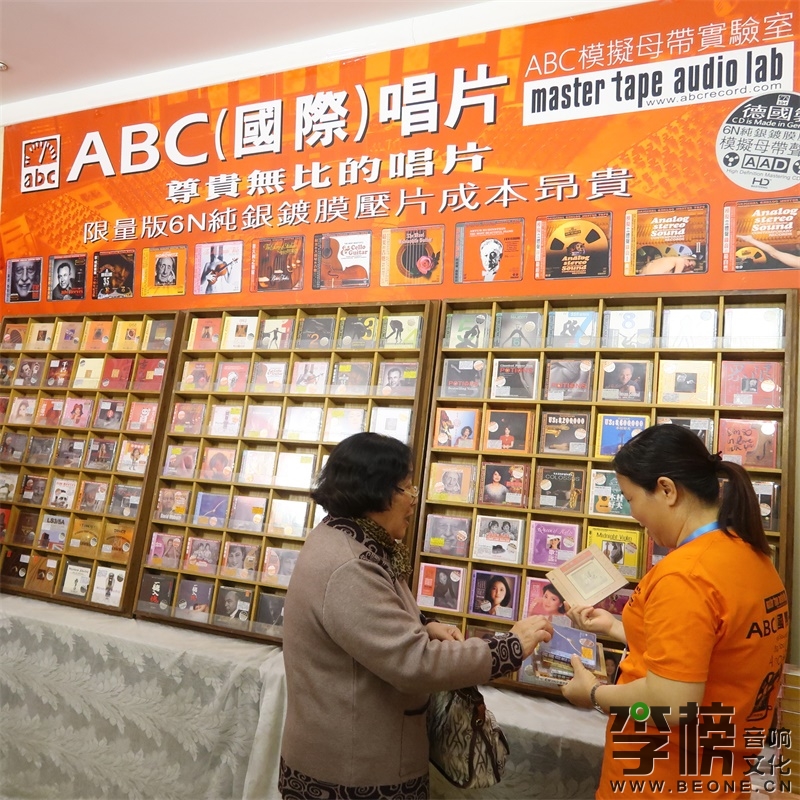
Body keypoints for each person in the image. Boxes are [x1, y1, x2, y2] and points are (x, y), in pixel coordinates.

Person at [279, 432, 553, 798]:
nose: (413, 499)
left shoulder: (349, 538)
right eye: (406, 488)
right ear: (376, 490)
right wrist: (510, 648)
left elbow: (372, 615)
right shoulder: (350, 564)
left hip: (349, 755)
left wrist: (426, 625)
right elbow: (414, 663)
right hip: (353, 772)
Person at [561, 424, 788, 798]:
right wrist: (616, 628)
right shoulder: (752, 555)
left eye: (631, 498)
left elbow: (671, 705)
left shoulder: (687, 574)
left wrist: (596, 694)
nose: (633, 514)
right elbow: (712, 650)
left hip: (660, 777)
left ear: (666, 490)